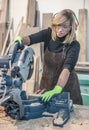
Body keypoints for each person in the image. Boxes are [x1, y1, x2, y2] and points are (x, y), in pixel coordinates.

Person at [15, 9, 83, 105]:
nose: (60, 30)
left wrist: (58, 88)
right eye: (58, 25)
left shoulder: (74, 45)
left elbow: (67, 68)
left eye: (65, 27)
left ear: (71, 28)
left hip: (67, 89)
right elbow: (30, 39)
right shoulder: (48, 34)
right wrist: (20, 40)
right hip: (47, 86)